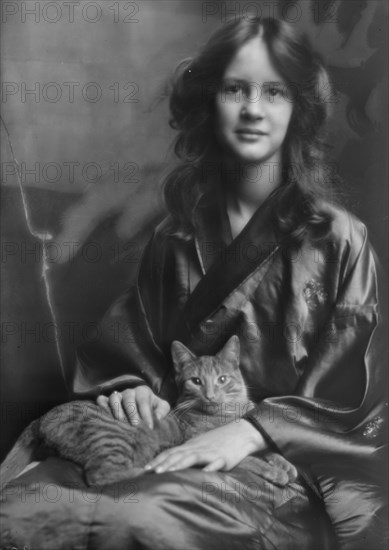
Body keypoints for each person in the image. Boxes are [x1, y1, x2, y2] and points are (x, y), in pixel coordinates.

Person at [1, 16, 387, 550]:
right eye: (235, 88)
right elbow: (133, 346)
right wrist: (130, 387)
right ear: (211, 100)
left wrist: (252, 432)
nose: (253, 109)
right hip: (169, 435)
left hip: (278, 463)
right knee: (23, 511)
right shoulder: (176, 233)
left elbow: (355, 388)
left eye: (274, 92)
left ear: (298, 109)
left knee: (136, 520)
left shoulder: (341, 239)